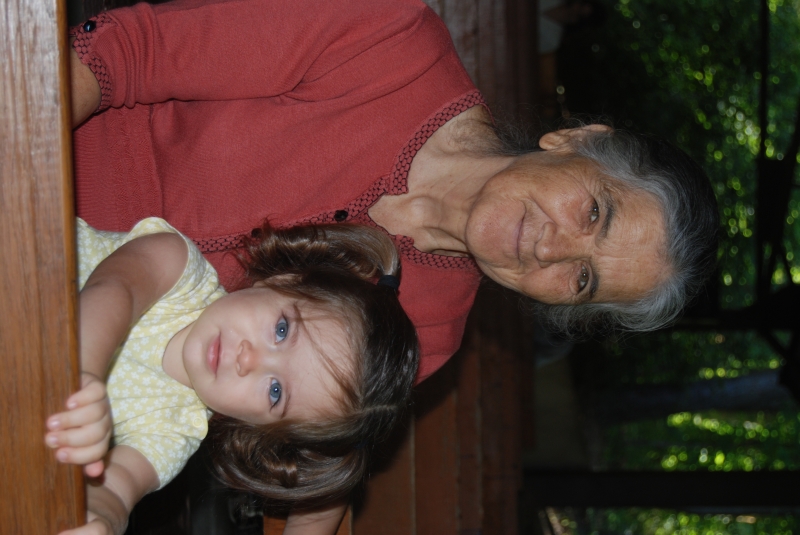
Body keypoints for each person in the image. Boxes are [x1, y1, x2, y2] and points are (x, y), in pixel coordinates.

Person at [44, 217, 419, 535]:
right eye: (282, 331)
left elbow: (116, 488)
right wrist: (82, 372)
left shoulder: (176, 430)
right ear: (284, 280)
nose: (248, 359)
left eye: (275, 391)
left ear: (259, 427)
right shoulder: (177, 268)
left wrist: (102, 520)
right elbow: (115, 290)